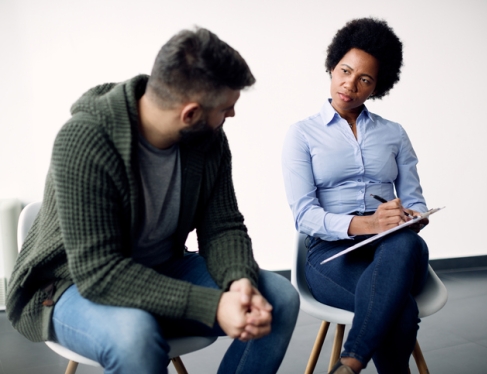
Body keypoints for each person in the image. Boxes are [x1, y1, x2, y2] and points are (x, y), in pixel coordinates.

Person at [7, 27, 299, 374]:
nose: (231, 116)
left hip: (163, 266)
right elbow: (100, 273)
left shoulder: (208, 140)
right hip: (72, 284)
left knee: (278, 299)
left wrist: (240, 282)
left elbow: (222, 227)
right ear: (190, 114)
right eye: (226, 108)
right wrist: (214, 305)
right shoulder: (85, 139)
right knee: (135, 335)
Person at [282, 18, 429, 374]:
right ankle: (354, 362)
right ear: (332, 67)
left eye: (365, 79)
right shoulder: (301, 134)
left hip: (393, 249)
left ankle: (349, 363)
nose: (350, 85)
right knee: (402, 311)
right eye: (345, 71)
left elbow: (415, 198)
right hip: (331, 254)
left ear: (377, 87)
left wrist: (414, 216)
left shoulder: (393, 134)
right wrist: (367, 223)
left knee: (405, 244)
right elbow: (305, 216)